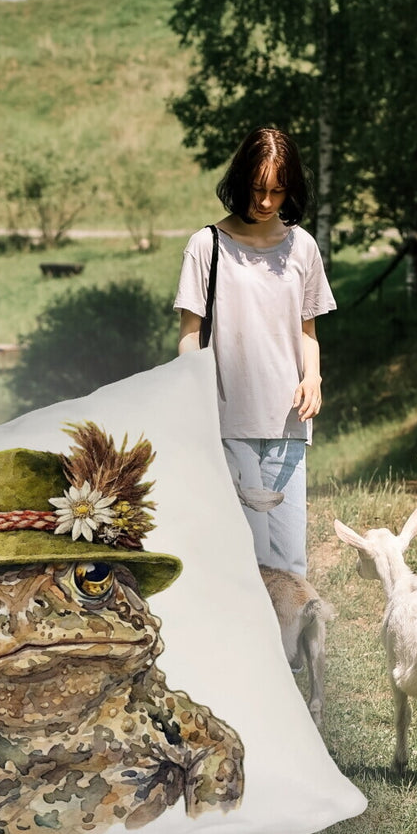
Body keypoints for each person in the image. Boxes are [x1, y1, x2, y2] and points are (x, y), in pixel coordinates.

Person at [175, 127, 335, 577]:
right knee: (247, 562)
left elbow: (308, 332)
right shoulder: (206, 247)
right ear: (241, 180)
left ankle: (291, 651)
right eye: (258, 189)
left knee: (290, 566)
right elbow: (190, 335)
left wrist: (313, 379)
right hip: (229, 427)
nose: (266, 202)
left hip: (289, 426)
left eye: (277, 191)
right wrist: (195, 397)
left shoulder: (302, 247)